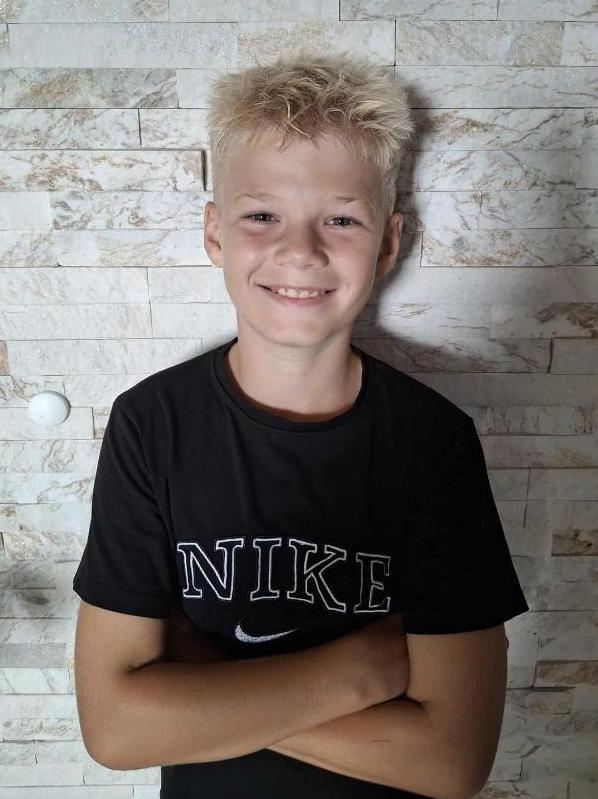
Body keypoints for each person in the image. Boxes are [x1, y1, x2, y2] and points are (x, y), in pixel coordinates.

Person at [72, 49, 529, 799]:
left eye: (341, 219)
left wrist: (202, 681)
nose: (300, 250)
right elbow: (116, 731)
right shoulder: (151, 425)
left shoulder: (432, 442)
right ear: (216, 234)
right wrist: (362, 671)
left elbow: (451, 763)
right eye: (262, 215)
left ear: (387, 244)